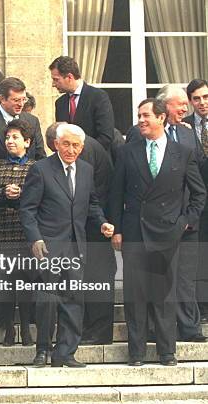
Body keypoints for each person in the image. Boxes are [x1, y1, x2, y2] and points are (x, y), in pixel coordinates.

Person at [109, 98, 206, 366]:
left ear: (161, 118)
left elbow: (199, 194)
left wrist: (185, 221)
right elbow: (116, 194)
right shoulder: (128, 151)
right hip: (135, 233)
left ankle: (167, 352)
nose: (140, 120)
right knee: (136, 295)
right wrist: (116, 229)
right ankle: (136, 353)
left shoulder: (182, 151)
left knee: (164, 295)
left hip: (167, 233)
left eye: (145, 116)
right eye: (139, 115)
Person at [20, 123, 114, 368]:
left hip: (75, 245)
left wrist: (102, 222)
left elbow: (91, 203)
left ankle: (66, 352)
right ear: (56, 144)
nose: (71, 149)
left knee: (74, 300)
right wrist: (36, 239)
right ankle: (42, 349)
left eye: (76, 145)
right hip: (48, 246)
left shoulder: (86, 170)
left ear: (82, 148)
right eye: (66, 144)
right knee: (47, 300)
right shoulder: (40, 170)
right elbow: (28, 210)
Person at [46, 122, 117, 345]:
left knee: (94, 280)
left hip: (92, 226)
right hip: (92, 222)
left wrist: (101, 222)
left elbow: (84, 195)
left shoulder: (82, 153)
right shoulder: (84, 147)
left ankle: (96, 331)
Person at [0, 119, 36, 347]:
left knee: (26, 286)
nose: (10, 141)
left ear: (27, 142)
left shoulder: (36, 167)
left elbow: (41, 196)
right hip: (2, 233)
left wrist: (22, 193)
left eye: (15, 138)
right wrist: (3, 194)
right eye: (8, 137)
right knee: (5, 286)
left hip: (25, 235)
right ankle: (8, 328)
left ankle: (26, 328)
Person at [50, 56, 115, 153]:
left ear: (69, 77)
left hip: (94, 161)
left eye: (56, 79)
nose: (53, 84)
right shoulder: (60, 103)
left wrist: (78, 153)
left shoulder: (98, 97)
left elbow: (106, 137)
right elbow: (61, 135)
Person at [185, 78, 208, 319]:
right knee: (200, 253)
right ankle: (201, 306)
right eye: (197, 98)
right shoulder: (185, 126)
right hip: (196, 200)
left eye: (206, 97)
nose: (202, 103)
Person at [0, 77, 46, 161]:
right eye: (16, 100)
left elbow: (40, 156)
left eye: (24, 99)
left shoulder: (32, 121)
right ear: (2, 99)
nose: (21, 104)